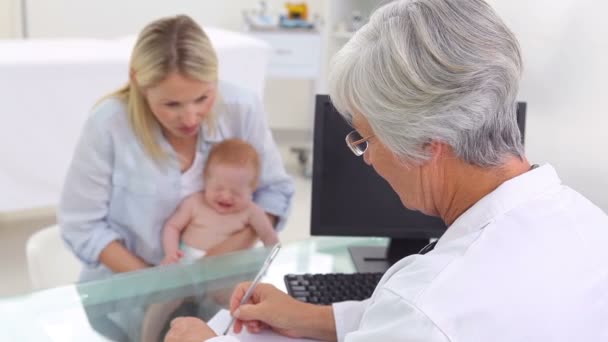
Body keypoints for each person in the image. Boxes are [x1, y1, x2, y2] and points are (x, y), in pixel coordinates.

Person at [164, 0, 608, 341]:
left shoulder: (428, 304)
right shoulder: (590, 226)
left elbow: (420, 319)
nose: (369, 157)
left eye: (366, 138)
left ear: (427, 144)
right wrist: (312, 317)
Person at [59, 15, 294, 282]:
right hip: (128, 291)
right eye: (172, 105)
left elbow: (274, 194)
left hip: (219, 284)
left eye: (203, 98)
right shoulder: (108, 125)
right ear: (137, 81)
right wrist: (161, 286)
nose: (191, 118)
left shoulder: (242, 108)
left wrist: (214, 263)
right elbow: (82, 225)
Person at [161, 138, 279, 265]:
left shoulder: (251, 212)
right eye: (218, 188)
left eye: (236, 192)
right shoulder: (194, 203)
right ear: (205, 180)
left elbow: (269, 238)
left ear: (252, 188)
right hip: (187, 265)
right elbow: (172, 227)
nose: (226, 196)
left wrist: (275, 260)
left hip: (230, 270)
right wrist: (171, 252)